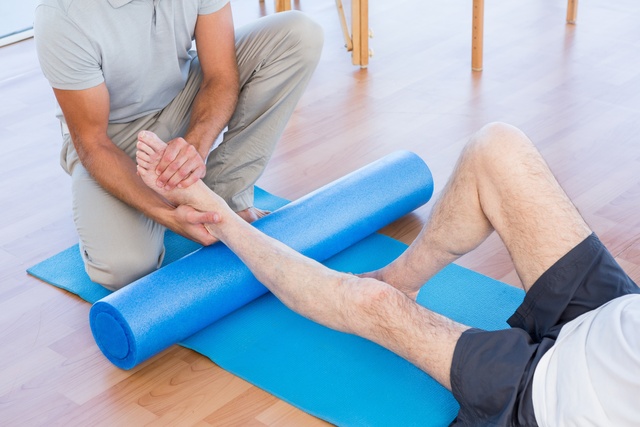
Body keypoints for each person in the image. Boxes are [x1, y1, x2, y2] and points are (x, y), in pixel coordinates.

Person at [136, 123, 640, 426]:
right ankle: (401, 277)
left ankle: (216, 216)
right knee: (498, 147)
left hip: (549, 397)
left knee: (372, 305)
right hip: (613, 320)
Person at [33, 0, 323, 290]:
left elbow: (220, 75)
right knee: (123, 269)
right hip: (112, 137)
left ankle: (226, 196)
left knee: (298, 34)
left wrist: (194, 146)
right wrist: (169, 216)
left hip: (184, 96)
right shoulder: (62, 15)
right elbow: (92, 143)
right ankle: (168, 201)